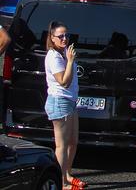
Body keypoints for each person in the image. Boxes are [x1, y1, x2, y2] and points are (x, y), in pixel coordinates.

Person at [45, 20, 79, 190]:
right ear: (52, 37)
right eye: (60, 36)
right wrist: (70, 62)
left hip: (70, 101)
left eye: (67, 35)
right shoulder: (54, 57)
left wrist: (69, 58)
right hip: (60, 101)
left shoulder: (64, 51)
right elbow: (64, 82)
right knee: (62, 145)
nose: (64, 38)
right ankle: (61, 182)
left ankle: (67, 174)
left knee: (73, 141)